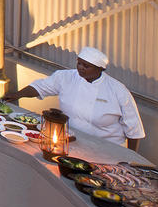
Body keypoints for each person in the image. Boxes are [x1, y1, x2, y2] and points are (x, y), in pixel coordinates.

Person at [10, 46, 144, 147]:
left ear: (100, 69)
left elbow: (134, 129)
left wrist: (131, 159)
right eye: (79, 63)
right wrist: (17, 95)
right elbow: (41, 87)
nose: (81, 68)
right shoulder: (65, 77)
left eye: (86, 66)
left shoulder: (118, 90)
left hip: (107, 147)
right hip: (71, 140)